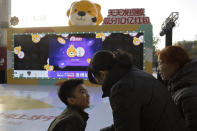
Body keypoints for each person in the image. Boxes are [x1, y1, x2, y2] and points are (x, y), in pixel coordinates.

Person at [88, 49, 189, 131]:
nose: (99, 83)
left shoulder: (122, 88)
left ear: (102, 73)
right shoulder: (135, 73)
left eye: (97, 79)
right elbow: (127, 122)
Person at [157, 45, 197, 131]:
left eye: (161, 63)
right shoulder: (179, 88)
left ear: (175, 65)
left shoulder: (188, 96)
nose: (158, 69)